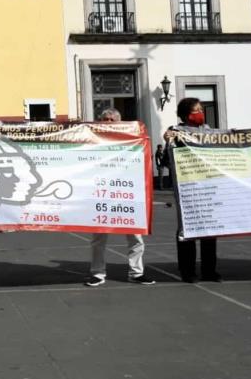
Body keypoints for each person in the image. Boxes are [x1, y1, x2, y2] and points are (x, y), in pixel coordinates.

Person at [85, 108, 155, 287]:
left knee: (135, 237)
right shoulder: (93, 140)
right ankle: (97, 273)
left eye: (112, 119)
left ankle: (136, 273)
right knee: (99, 238)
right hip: (102, 192)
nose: (108, 122)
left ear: (120, 122)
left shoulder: (132, 139)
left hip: (127, 192)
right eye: (105, 119)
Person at [165, 97, 220, 283]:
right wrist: (168, 141)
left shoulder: (209, 131)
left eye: (201, 109)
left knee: (209, 229)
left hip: (207, 184)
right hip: (187, 186)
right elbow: (168, 158)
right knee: (187, 229)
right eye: (197, 110)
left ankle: (209, 270)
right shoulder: (176, 132)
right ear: (187, 114)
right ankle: (187, 271)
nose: (200, 113)